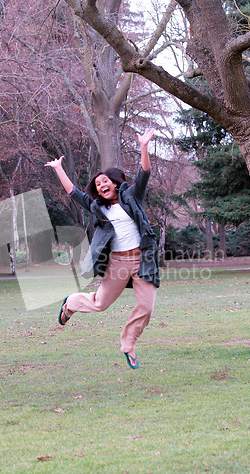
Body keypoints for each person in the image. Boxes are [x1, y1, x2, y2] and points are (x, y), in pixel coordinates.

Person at [44, 129, 159, 369]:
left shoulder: (132, 197)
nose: (101, 185)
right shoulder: (99, 208)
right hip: (117, 263)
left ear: (115, 184)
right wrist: (58, 169)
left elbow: (144, 173)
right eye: (98, 185)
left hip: (142, 260)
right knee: (100, 303)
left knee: (146, 307)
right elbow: (73, 192)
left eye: (105, 181)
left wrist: (144, 146)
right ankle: (72, 303)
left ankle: (128, 345)